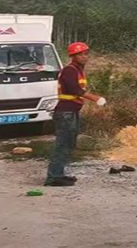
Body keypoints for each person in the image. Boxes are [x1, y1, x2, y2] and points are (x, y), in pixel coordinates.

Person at [45, 42, 106, 187]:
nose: (85, 57)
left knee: (68, 143)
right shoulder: (70, 70)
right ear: (73, 56)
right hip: (65, 113)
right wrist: (95, 98)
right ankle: (53, 177)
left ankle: (59, 174)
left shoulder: (77, 70)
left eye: (86, 54)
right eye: (81, 54)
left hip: (71, 112)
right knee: (63, 144)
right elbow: (75, 90)